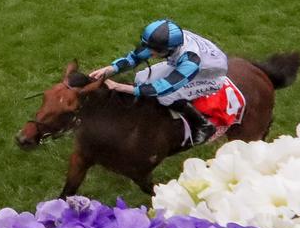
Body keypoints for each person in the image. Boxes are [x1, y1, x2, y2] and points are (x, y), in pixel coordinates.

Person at [88, 19, 227, 146]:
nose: (149, 53)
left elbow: (164, 87)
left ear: (169, 49)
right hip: (185, 63)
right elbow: (135, 57)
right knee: (141, 78)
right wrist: (110, 69)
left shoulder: (191, 60)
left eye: (153, 51)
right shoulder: (164, 43)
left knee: (166, 97)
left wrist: (120, 87)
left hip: (208, 76)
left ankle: (204, 125)